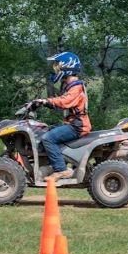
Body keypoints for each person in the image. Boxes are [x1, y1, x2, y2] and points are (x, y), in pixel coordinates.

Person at [31, 52, 91, 180]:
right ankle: (49, 165)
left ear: (67, 67)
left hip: (77, 126)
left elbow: (64, 101)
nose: (55, 69)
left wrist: (46, 101)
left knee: (48, 138)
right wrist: (43, 103)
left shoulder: (76, 87)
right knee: (45, 132)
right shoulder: (71, 86)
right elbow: (61, 102)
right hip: (73, 124)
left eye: (57, 66)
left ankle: (61, 169)